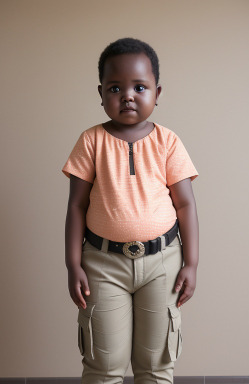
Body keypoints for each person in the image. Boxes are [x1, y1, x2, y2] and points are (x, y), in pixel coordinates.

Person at [62, 37, 199, 384]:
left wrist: (192, 263)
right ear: (101, 93)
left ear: (157, 91)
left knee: (155, 366)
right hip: (102, 265)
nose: (128, 95)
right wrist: (72, 264)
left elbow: (185, 204)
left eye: (140, 86)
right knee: (103, 365)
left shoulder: (168, 142)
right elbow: (76, 205)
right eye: (115, 88)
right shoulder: (90, 141)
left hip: (163, 264)